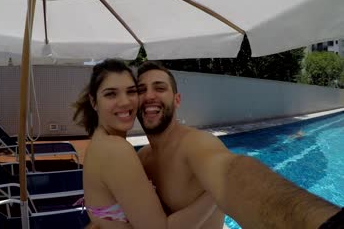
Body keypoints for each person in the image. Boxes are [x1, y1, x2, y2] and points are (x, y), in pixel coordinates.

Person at [136, 61, 341, 229]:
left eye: (160, 88)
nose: (149, 96)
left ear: (177, 99)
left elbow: (232, 173)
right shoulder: (142, 157)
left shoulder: (195, 144)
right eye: (141, 90)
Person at [73, 59, 216, 229]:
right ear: (94, 102)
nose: (125, 102)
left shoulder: (100, 143)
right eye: (111, 94)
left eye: (131, 91)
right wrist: (215, 195)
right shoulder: (116, 150)